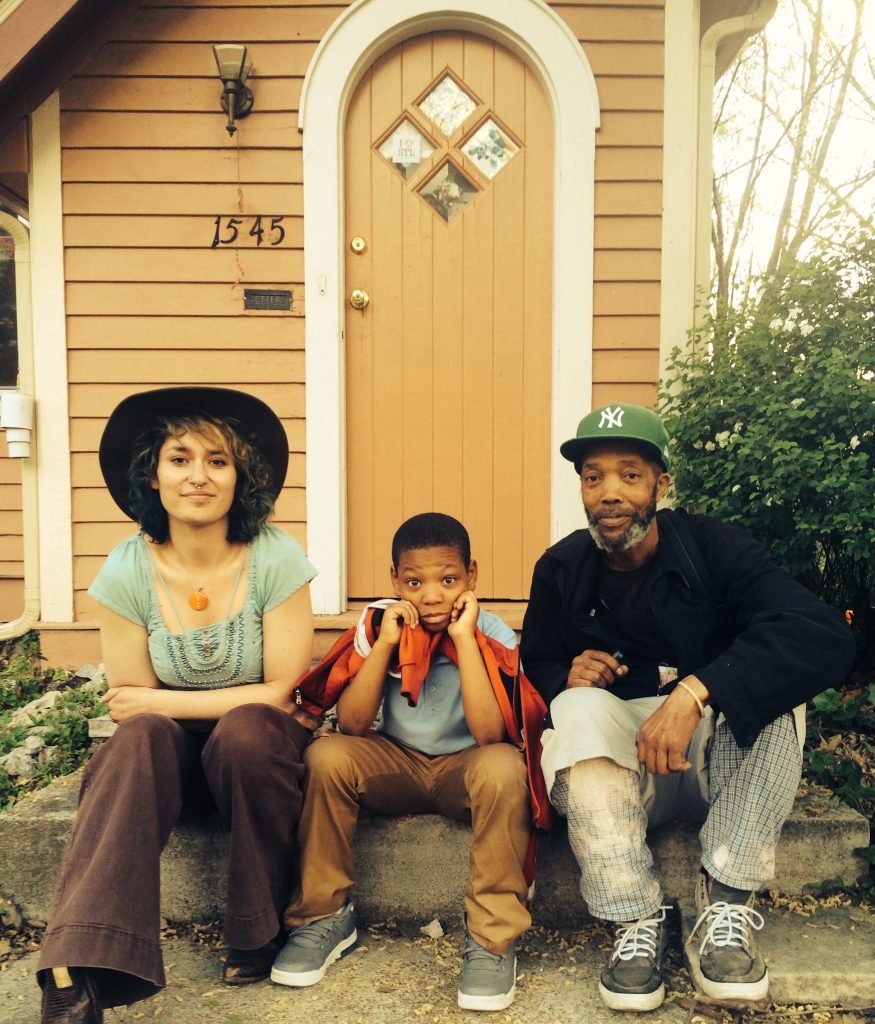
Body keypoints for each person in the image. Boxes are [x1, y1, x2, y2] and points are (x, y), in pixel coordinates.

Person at [520, 402, 855, 1012]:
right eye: (593, 478)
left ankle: (724, 903)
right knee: (573, 709)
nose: (610, 493)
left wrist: (697, 690)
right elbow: (534, 664)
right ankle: (637, 918)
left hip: (712, 764)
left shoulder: (712, 548)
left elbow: (821, 632)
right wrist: (563, 671)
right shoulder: (563, 566)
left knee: (779, 697)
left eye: (629, 474)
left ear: (661, 485)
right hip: (626, 777)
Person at [37, 387, 318, 1024]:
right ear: (152, 474)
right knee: (134, 744)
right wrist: (161, 709)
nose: (198, 476)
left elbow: (284, 691)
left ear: (240, 475)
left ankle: (256, 928)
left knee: (248, 730)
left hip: (258, 762)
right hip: (171, 766)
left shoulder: (275, 556)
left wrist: (169, 704)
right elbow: (130, 712)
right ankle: (74, 966)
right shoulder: (126, 570)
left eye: (218, 460)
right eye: (180, 458)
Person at [271, 513, 549, 1012]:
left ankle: (491, 940)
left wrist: (464, 641)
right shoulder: (380, 626)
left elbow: (491, 735)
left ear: (472, 576)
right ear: (395, 580)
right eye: (415, 582)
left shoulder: (492, 633)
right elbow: (353, 724)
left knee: (506, 766)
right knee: (328, 754)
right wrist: (386, 645)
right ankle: (324, 916)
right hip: (396, 761)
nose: (433, 595)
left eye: (449, 580)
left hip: (466, 766)